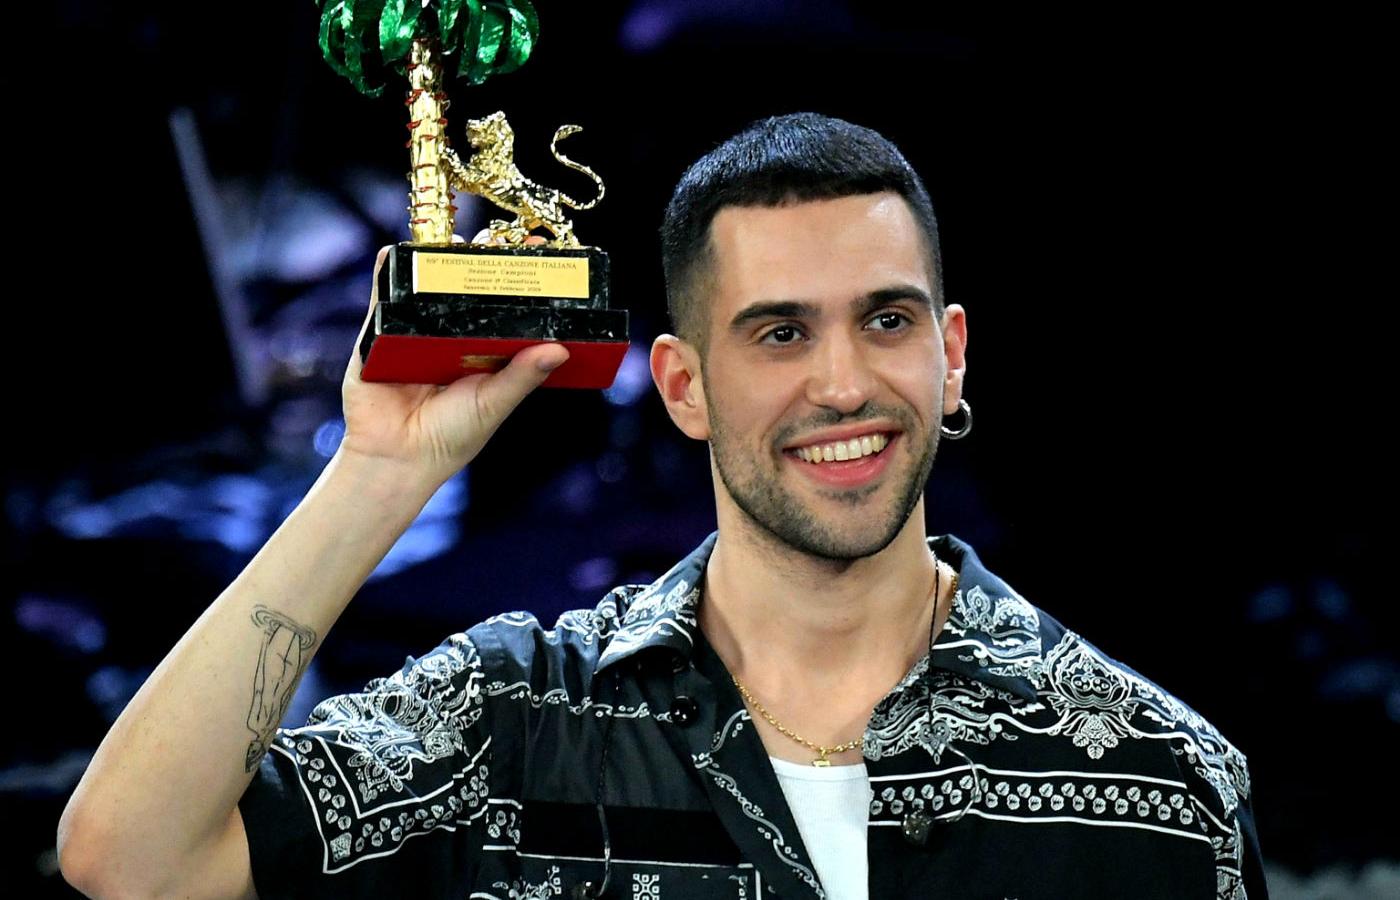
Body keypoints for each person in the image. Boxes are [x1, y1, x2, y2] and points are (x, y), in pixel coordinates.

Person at [57, 113, 1267, 899]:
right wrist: (378, 474)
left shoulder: (1163, 783)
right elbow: (131, 859)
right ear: (682, 386)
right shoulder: (515, 717)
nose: (842, 383)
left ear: (949, 356)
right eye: (778, 333)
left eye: (885, 320)